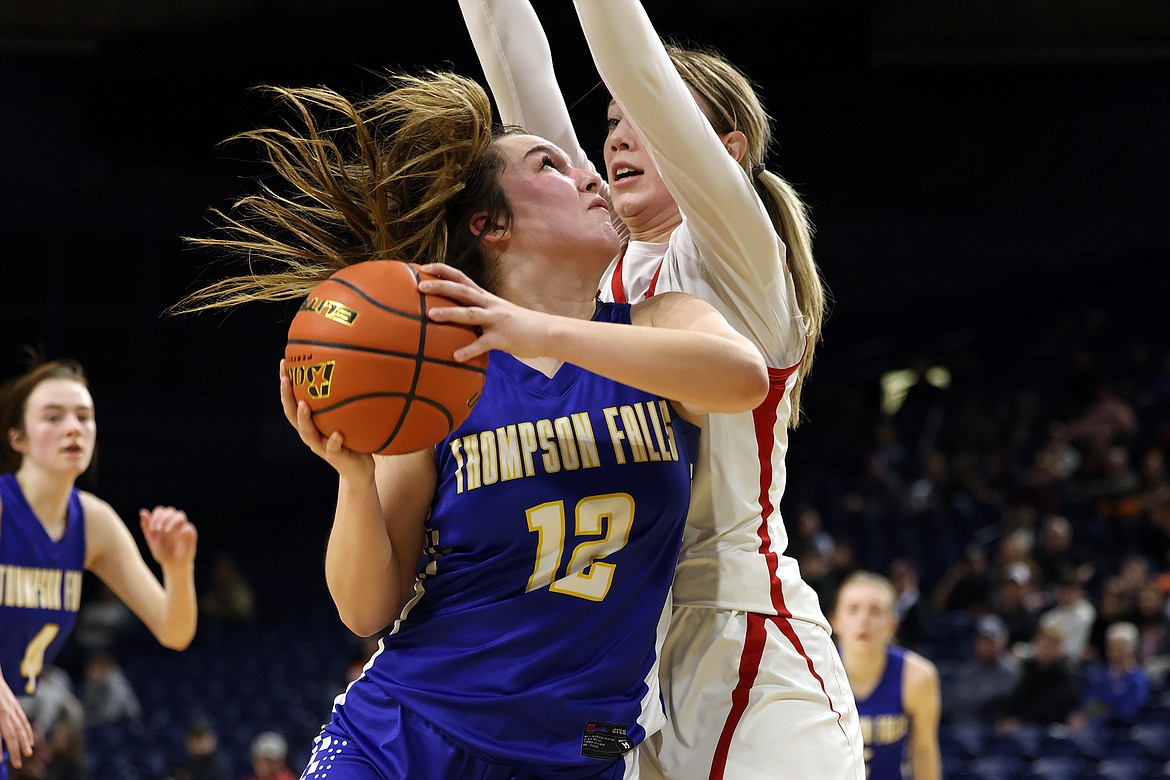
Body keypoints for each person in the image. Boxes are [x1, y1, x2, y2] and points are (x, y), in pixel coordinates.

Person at [177, 69, 768, 778]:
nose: (589, 174)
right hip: (408, 728)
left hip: (584, 749)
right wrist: (355, 479)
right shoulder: (437, 377)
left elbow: (744, 378)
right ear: (491, 226)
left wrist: (542, 332)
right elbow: (365, 613)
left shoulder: (657, 323)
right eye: (550, 164)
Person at [457, 1, 864, 776]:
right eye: (608, 120)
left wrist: (640, 82)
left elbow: (631, 55)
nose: (612, 137)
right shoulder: (600, 273)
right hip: (620, 649)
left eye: (640, 119)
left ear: (721, 150)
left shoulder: (734, 253)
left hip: (740, 629)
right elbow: (515, 62)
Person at [0, 358, 198, 776]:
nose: (73, 427)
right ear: (18, 438)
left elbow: (174, 630)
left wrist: (178, 570)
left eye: (84, 416)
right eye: (53, 417)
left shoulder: (93, 523)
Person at [831, 572, 941, 780]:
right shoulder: (813, 672)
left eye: (875, 611)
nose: (863, 620)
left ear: (892, 625)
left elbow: (924, 750)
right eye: (853, 609)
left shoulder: (917, 677)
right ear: (835, 620)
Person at [1067, 621, 1151, 731]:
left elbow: (1127, 713)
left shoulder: (1138, 680)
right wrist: (1078, 716)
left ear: (1131, 649)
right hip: (1091, 727)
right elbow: (1089, 702)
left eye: (1118, 649)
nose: (1113, 653)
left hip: (1116, 731)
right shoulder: (1101, 676)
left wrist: (1101, 714)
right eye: (1110, 649)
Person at [940, 614, 1021, 725]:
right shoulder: (967, 669)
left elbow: (997, 707)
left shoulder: (1011, 672)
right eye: (982, 640)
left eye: (990, 641)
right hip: (957, 727)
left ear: (1003, 641)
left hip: (986, 732)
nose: (985, 646)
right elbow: (950, 703)